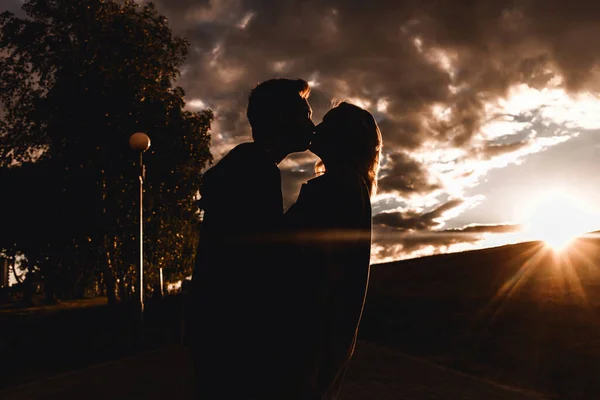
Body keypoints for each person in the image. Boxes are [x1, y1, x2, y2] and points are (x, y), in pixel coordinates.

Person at [189, 78, 315, 399]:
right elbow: (261, 262)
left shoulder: (247, 164)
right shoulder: (256, 168)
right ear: (283, 118)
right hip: (239, 338)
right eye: (305, 113)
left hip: (220, 333)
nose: (311, 123)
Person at [284, 102, 383, 400]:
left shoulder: (335, 188)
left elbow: (312, 267)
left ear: (342, 137)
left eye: (327, 123)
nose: (317, 127)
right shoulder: (352, 186)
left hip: (307, 339)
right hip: (324, 340)